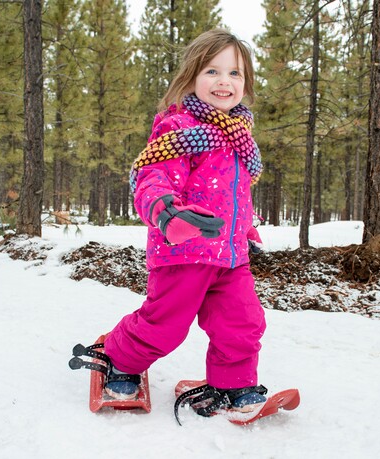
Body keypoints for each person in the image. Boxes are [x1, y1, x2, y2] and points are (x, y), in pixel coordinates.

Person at [102, 29, 268, 415]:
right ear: (192, 76)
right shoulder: (179, 130)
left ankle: (234, 384)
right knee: (164, 326)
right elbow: (152, 178)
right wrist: (167, 213)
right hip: (183, 252)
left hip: (230, 258)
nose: (225, 81)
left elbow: (236, 194)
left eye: (235, 73)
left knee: (242, 322)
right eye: (213, 71)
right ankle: (119, 360)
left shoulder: (241, 139)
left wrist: (245, 227)